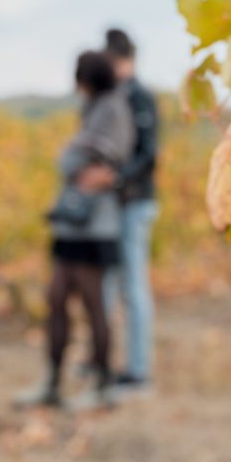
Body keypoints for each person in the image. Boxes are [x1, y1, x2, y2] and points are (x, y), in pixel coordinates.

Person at [18, 51, 133, 409]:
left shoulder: (112, 109)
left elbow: (87, 160)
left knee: (93, 302)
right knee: (56, 299)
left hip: (94, 225)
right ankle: (52, 382)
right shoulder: (96, 108)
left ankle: (102, 385)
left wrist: (72, 157)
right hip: (72, 223)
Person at [84, 28, 160, 395]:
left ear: (116, 59)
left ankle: (138, 371)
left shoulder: (139, 97)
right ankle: (106, 361)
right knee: (111, 284)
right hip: (118, 206)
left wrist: (112, 178)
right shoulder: (118, 96)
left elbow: (148, 156)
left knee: (132, 286)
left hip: (134, 203)